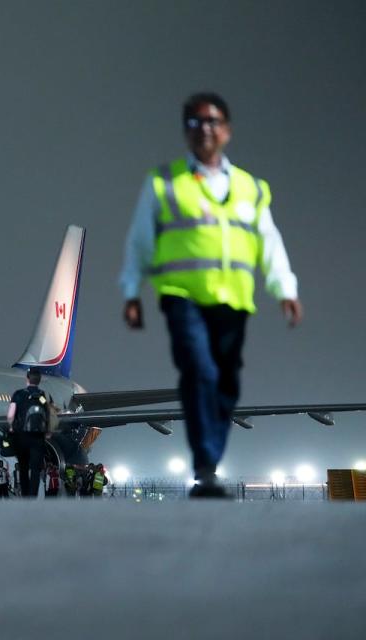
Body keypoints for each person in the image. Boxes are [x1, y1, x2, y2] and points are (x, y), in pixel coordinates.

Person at [120, 92, 302, 498]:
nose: (204, 128)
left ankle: (210, 460)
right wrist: (131, 290)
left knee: (225, 381)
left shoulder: (252, 189)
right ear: (184, 132)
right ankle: (205, 466)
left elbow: (268, 242)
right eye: (194, 122)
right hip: (181, 296)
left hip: (233, 300)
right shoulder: (164, 182)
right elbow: (140, 242)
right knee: (198, 372)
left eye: (212, 121)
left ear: (227, 130)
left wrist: (285, 288)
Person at [6, 370, 48, 497]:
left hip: (22, 437)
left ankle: (25, 497)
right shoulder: (41, 396)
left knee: (23, 468)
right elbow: (47, 414)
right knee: (35, 469)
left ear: (27, 379)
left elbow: (10, 415)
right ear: (39, 380)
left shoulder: (19, 394)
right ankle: (33, 496)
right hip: (37, 437)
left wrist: (11, 427)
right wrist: (48, 432)